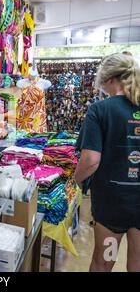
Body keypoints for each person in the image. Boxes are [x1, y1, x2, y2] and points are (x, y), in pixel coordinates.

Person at [74, 53, 140, 272]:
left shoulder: (101, 109)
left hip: (114, 204)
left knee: (104, 261)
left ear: (110, 79)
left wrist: (76, 179)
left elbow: (91, 160)